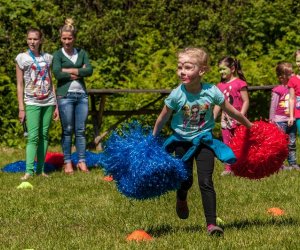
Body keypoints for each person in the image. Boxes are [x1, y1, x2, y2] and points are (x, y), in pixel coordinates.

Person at [152, 47, 252, 236]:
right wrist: (153, 139)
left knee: (206, 181)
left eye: (188, 67)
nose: (182, 71)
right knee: (186, 179)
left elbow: (231, 110)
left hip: (204, 141)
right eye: (180, 67)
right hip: (182, 141)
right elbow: (162, 118)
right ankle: (181, 196)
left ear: (202, 71)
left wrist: (248, 125)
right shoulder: (177, 94)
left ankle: (212, 224)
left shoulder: (211, 91)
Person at [16, 27, 59, 180]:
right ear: (27, 40)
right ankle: (28, 171)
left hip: (48, 101)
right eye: (30, 39)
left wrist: (56, 105)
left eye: (35, 39)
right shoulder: (22, 58)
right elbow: (20, 84)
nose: (32, 42)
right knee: (33, 136)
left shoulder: (48, 57)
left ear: (40, 40)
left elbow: (51, 81)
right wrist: (22, 108)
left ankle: (41, 170)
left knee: (44, 135)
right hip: (32, 102)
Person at [52, 18, 93, 174]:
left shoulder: (82, 53)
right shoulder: (57, 55)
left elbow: (89, 71)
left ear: (74, 38)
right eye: (64, 38)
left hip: (81, 96)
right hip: (65, 96)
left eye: (70, 38)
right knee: (68, 129)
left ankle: (82, 161)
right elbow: (57, 73)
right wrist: (77, 71)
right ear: (61, 38)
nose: (67, 41)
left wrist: (68, 70)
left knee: (81, 130)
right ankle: (68, 162)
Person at [213, 56, 249, 176]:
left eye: (224, 69)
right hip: (225, 120)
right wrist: (212, 118)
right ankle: (229, 168)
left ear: (232, 68)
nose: (221, 72)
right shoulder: (219, 86)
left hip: (240, 120)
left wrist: (241, 116)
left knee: (241, 143)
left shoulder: (240, 83)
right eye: (220, 70)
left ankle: (242, 167)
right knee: (227, 144)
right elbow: (218, 104)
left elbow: (246, 101)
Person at [270, 62, 298, 170]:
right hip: (280, 121)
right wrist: (272, 121)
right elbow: (273, 106)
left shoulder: (295, 88)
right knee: (280, 144)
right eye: (290, 74)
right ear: (282, 77)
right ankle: (279, 165)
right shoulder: (278, 90)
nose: (293, 75)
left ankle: (293, 163)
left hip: (292, 119)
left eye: (293, 72)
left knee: (292, 142)